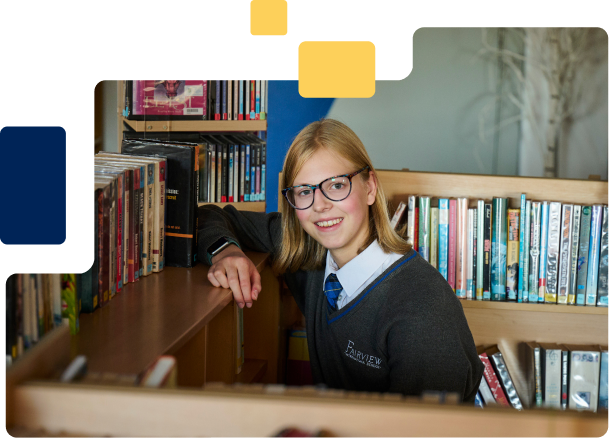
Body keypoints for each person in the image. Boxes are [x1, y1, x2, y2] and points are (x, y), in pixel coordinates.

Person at [198, 118, 484, 402]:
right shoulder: (309, 253)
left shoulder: (422, 311)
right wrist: (227, 251)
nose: (320, 206)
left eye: (335, 185)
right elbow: (209, 216)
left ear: (370, 188)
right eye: (305, 191)